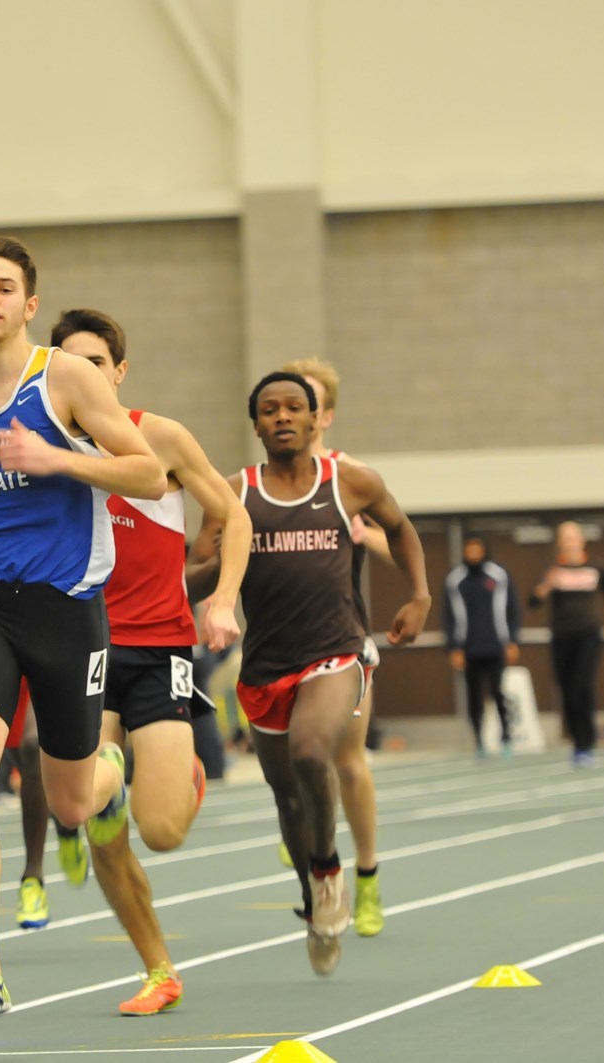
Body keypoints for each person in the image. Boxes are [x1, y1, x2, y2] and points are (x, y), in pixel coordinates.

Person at [0, 237, 165, 1020]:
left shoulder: (67, 378)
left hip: (67, 605)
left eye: (4, 287)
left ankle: (108, 768)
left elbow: (147, 471)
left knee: (71, 800)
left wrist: (59, 460)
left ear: (29, 304)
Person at [40, 308, 250, 1015]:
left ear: (118, 371)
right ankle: (159, 968)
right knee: (100, 815)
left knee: (161, 831)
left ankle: (166, 771)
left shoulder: (157, 436)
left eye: (96, 362)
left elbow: (235, 512)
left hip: (160, 647)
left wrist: (220, 596)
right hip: (82, 645)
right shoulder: (41, 446)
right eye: (69, 361)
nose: (83, 374)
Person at [187, 371, 430, 977]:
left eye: (295, 407)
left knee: (312, 751)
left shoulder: (349, 481)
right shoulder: (232, 492)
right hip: (266, 664)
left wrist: (419, 594)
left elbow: (399, 528)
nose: (283, 417)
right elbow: (196, 569)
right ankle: (315, 889)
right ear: (256, 425)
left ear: (316, 418)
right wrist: (201, 585)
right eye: (270, 410)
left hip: (337, 652)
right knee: (288, 798)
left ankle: (331, 869)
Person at [279, 358, 388, 935]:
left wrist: (367, 535)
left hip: (344, 642)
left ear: (326, 414)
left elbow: (401, 542)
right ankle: (314, 843)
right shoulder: (263, 479)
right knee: (298, 768)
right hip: (278, 650)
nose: (295, 413)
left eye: (308, 402)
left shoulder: (350, 478)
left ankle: (366, 878)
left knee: (346, 761)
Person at [528, 520, 604, 766]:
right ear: (559, 543)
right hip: (561, 635)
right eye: (564, 537)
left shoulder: (597, 566)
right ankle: (577, 742)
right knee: (566, 689)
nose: (569, 541)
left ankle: (587, 742)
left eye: (573, 536)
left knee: (582, 686)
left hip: (588, 634)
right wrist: (547, 584)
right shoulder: (553, 569)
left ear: (581, 540)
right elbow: (533, 601)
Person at [445, 535, 522, 755]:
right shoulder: (455, 579)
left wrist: (512, 641)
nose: (473, 554)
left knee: (498, 692)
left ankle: (506, 735)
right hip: (469, 648)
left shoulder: (498, 576)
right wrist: (454, 647)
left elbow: (512, 609)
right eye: (469, 549)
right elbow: (448, 615)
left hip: (495, 646)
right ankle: (478, 739)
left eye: (477, 549)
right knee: (473, 696)